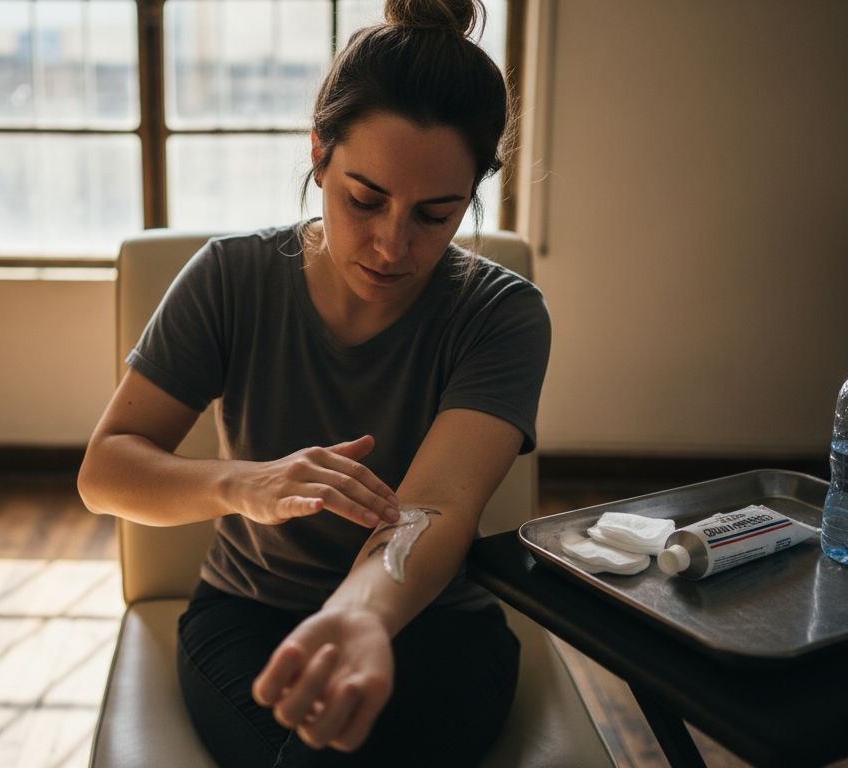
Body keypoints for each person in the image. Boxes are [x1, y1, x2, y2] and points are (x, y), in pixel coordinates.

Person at [77, 0, 550, 764]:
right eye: (365, 199)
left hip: (434, 622)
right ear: (319, 155)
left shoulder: (501, 313)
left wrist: (360, 615)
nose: (392, 244)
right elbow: (104, 473)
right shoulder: (230, 279)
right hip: (249, 615)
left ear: (474, 191)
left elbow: (436, 506)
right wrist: (244, 484)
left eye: (436, 215)